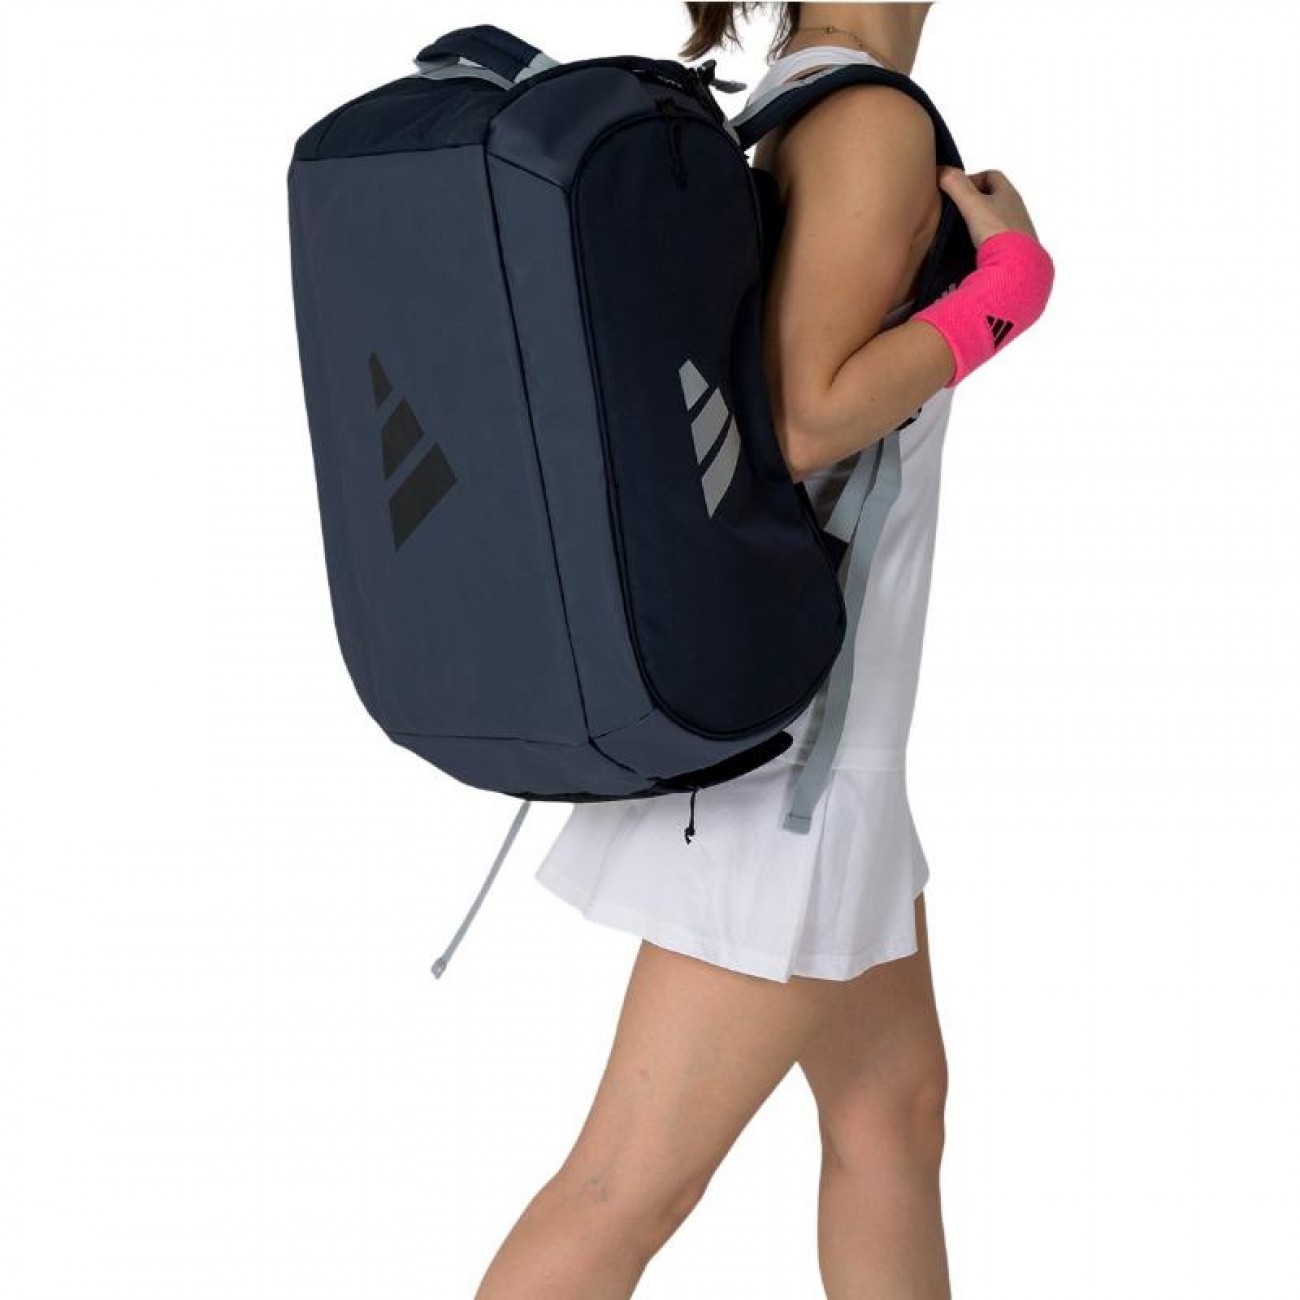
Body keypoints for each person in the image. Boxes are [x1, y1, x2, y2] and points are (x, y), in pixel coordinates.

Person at [477, 5, 1055, 1296]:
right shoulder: (868, 120)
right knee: (625, 1186)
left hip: (815, 748)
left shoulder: (804, 92)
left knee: (892, 1113)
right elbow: (803, 419)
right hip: (793, 773)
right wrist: (1004, 298)